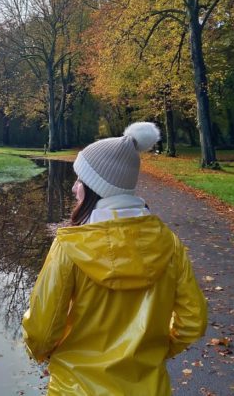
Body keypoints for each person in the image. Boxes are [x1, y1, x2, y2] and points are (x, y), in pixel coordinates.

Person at [22, 122, 208, 395]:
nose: (75, 188)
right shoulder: (169, 244)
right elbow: (193, 322)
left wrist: (42, 353)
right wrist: (153, 352)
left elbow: (42, 329)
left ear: (98, 188)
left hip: (75, 387)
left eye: (80, 181)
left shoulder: (70, 246)